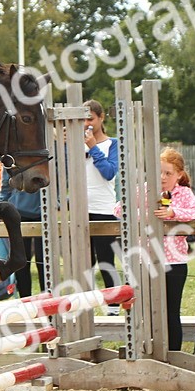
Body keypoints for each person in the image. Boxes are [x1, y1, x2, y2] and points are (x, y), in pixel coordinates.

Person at [154, 148, 195, 350]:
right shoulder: (145, 189)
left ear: (179, 175)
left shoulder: (184, 193)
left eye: (168, 173)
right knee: (148, 311)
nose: (162, 177)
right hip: (146, 260)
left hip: (174, 261)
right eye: (159, 172)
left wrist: (173, 212)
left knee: (171, 311)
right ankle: (150, 352)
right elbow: (119, 209)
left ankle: (173, 354)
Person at [84, 99, 121, 299]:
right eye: (82, 120)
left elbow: (108, 172)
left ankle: (113, 305)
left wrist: (93, 148)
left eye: (90, 119)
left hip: (104, 210)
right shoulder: (75, 143)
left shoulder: (112, 144)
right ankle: (86, 305)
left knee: (106, 261)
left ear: (101, 118)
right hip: (82, 210)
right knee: (84, 263)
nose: (86, 124)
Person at [0, 164, 44, 297]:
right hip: (18, 212)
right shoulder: (12, 158)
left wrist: (57, 201)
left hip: (44, 212)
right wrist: (2, 205)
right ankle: (25, 301)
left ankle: (48, 302)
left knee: (44, 260)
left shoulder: (46, 151)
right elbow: (6, 182)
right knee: (21, 261)